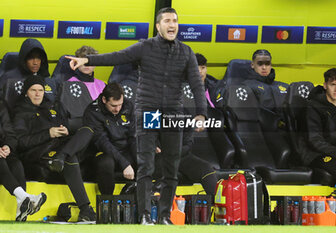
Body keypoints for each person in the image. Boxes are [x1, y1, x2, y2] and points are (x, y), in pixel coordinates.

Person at [66, 7, 207, 225]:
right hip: (149, 111)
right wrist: (88, 60)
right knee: (147, 166)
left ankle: (163, 216)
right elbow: (117, 56)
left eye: (175, 21)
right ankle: (143, 215)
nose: (172, 25)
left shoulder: (186, 52)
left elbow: (197, 85)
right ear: (158, 26)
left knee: (171, 167)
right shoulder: (146, 47)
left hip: (172, 113)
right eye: (167, 21)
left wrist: (201, 113)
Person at [13, 75, 96, 221]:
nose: (38, 94)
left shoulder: (52, 106)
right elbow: (20, 142)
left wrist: (66, 129)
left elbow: (63, 123)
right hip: (39, 152)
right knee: (71, 158)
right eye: (33, 90)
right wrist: (48, 133)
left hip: (60, 146)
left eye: (41, 90)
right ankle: (85, 209)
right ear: (26, 92)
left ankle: (62, 156)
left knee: (88, 129)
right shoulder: (20, 112)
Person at [83, 83, 136, 194]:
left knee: (151, 159)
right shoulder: (92, 111)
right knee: (106, 163)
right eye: (113, 105)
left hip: (125, 150)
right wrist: (124, 163)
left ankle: (137, 197)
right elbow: (102, 142)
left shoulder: (128, 105)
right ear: (104, 99)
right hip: (103, 153)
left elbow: (133, 136)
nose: (117, 109)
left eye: (120, 105)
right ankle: (107, 202)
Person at [305, 68, 336, 195]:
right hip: (317, 155)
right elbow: (314, 140)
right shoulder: (313, 107)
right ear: (325, 86)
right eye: (333, 85)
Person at [0, 99, 46, 221]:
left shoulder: (1, 105)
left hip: (2, 151)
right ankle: (25, 197)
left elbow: (9, 133)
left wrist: (8, 146)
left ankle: (21, 207)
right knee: (1, 163)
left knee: (16, 164)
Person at [243, 49, 289, 118]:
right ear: (252, 65)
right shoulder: (246, 86)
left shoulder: (285, 86)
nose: (264, 67)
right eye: (260, 64)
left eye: (267, 64)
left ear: (271, 65)